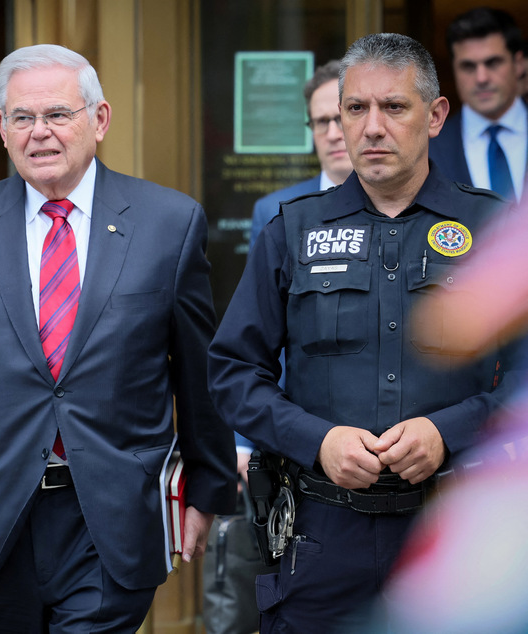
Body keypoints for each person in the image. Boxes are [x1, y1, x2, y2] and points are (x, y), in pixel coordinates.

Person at [0, 43, 237, 633]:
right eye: (22, 117)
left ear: (100, 119)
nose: (39, 132)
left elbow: (199, 372)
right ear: (1, 127)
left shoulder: (169, 224)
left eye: (58, 115)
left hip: (111, 521)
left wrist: (208, 488)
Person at [207, 33, 518, 632]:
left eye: (394, 107)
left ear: (435, 117)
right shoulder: (289, 231)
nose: (372, 127)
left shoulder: (492, 227)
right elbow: (234, 372)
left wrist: (446, 431)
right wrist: (315, 440)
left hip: (455, 537)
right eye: (356, 108)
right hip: (319, 537)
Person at [202, 58, 354, 634]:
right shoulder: (278, 211)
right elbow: (259, 337)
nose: (335, 133)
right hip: (291, 433)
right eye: (322, 122)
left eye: (343, 116)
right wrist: (244, 438)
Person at [248, 59, 354, 249]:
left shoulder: (399, 202)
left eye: (340, 119)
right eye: (322, 122)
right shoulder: (273, 211)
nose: (332, 135)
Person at [429, 7, 526, 202]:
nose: (481, 78)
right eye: (468, 66)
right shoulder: (429, 149)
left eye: (493, 62)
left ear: (519, 64)